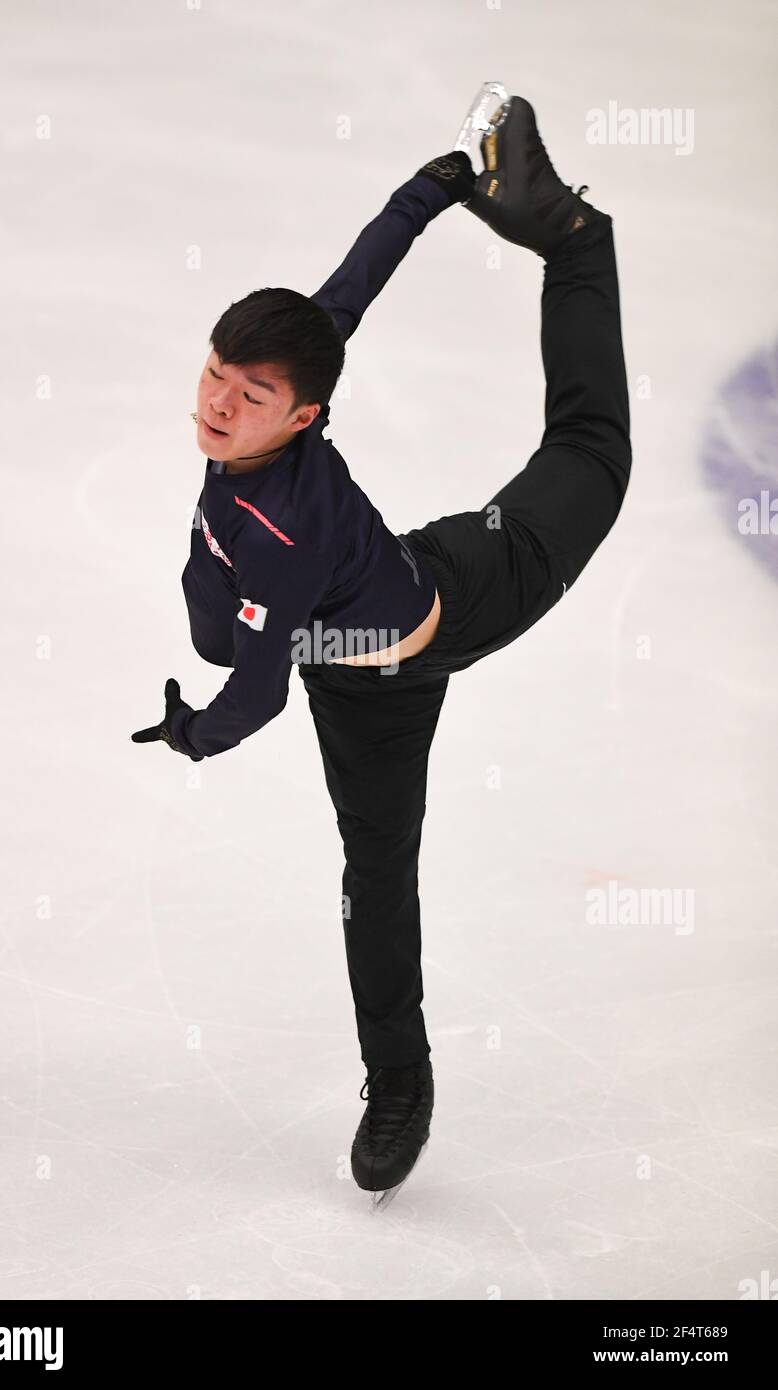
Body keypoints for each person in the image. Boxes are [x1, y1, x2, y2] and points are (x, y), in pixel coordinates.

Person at [132, 95, 632, 1200]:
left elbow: (258, 689)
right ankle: (398, 1074)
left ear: (303, 417)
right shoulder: (290, 367)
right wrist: (434, 188)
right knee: (377, 876)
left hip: (462, 595)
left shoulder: (286, 540)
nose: (219, 399)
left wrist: (195, 735)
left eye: (250, 394)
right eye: (217, 369)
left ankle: (575, 244)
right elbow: (353, 282)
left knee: (590, 450)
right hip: (362, 664)